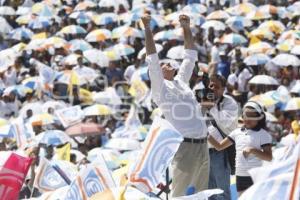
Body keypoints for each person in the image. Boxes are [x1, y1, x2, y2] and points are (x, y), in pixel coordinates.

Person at [141, 14, 208, 197]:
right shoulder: (160, 89)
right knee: (180, 195)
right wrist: (147, 28)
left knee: (202, 195)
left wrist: (186, 28)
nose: (167, 64)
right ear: (156, 74)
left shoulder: (182, 82)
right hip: (185, 148)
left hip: (203, 146)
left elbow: (190, 56)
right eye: (163, 65)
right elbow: (152, 58)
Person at [208, 101, 273, 195]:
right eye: (246, 115)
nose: (248, 118)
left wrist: (253, 150)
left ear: (259, 117)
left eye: (252, 115)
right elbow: (219, 146)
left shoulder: (263, 134)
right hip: (240, 176)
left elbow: (268, 157)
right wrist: (205, 134)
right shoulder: (236, 132)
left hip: (255, 175)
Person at [203, 74, 238, 200]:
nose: (212, 89)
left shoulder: (229, 102)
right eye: (210, 85)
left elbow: (227, 124)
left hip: (220, 152)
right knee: (208, 191)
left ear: (223, 89)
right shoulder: (202, 99)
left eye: (216, 87)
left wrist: (211, 107)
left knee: (222, 191)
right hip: (203, 151)